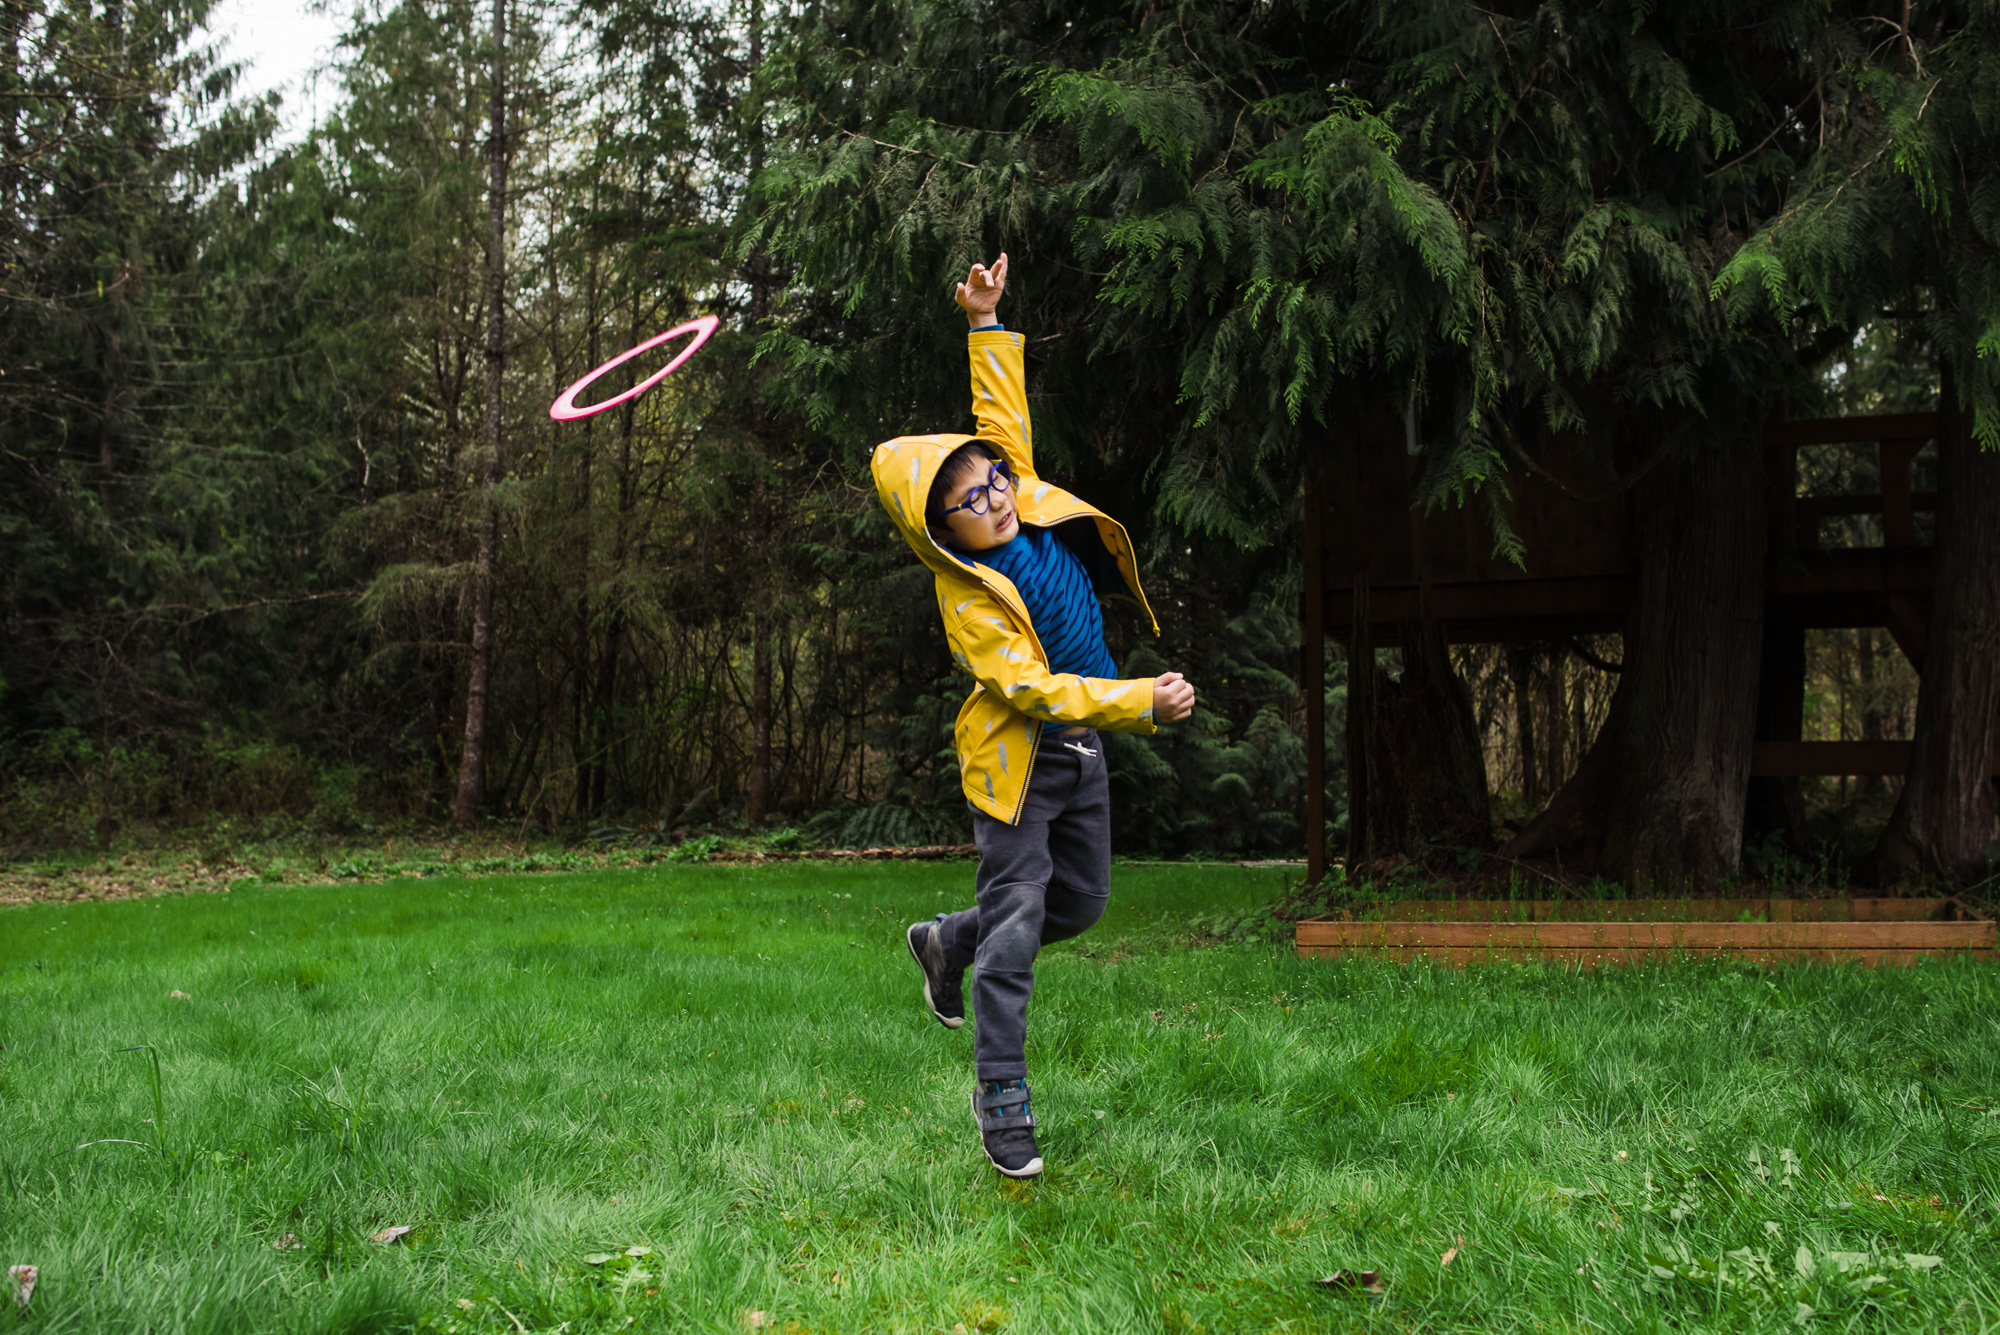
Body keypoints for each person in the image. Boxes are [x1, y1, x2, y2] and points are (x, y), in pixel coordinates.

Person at [869, 252, 1197, 1179]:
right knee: (1018, 932)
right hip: (1021, 769)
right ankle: (1002, 1097)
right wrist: (1137, 700)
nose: (992, 498)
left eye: (994, 482)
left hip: (1084, 754)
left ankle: (948, 938)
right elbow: (1033, 691)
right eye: (969, 501)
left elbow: (998, 422)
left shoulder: (1035, 508)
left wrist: (983, 322)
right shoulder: (969, 599)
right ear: (946, 532)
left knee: (1081, 905)